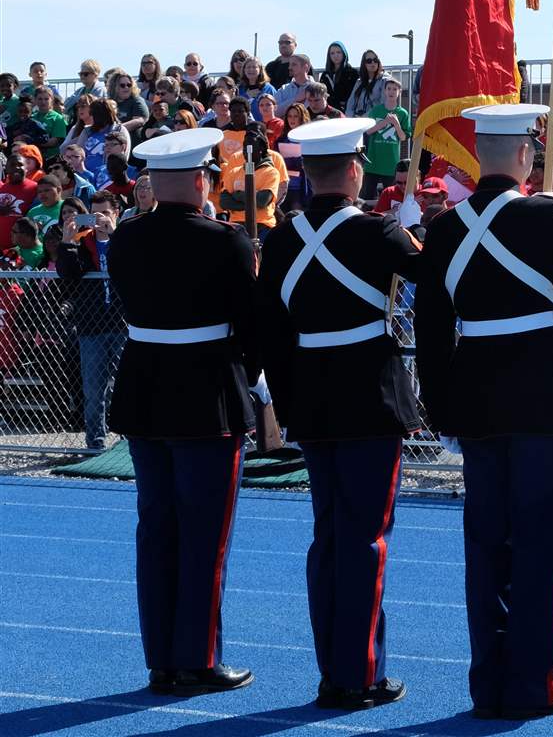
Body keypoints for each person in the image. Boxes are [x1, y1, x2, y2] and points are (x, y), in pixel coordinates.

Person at [414, 103, 553, 719]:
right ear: (528, 155)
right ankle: (533, 686)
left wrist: (440, 404)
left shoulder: (447, 228)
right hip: (540, 397)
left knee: (486, 547)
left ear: (482, 155)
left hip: (474, 395)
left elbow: (430, 331)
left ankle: (488, 684)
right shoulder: (545, 213)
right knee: (540, 545)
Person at [256, 117, 421, 710]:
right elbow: (436, 278)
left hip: (312, 403)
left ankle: (334, 669)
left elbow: (269, 334)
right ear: (355, 171)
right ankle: (360, 674)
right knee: (366, 541)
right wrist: (413, 226)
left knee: (328, 538)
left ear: (307, 174)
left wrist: (289, 401)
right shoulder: (379, 234)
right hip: (371, 400)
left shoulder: (281, 240)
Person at [107, 127, 258, 696]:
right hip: (207, 395)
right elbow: (251, 325)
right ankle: (197, 657)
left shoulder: (126, 240)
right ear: (201, 180)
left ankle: (162, 659)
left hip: (145, 392)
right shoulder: (226, 241)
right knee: (205, 534)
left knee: (157, 528)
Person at [57, 190, 126, 449]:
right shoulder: (83, 242)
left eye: (105, 213)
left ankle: (126, 443)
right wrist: (67, 240)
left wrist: (114, 234)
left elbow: (134, 265)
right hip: (91, 325)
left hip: (123, 324)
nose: (99, 220)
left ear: (116, 213)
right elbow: (68, 273)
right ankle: (95, 442)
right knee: (94, 388)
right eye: (94, 214)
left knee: (124, 386)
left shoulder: (125, 238)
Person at [218, 124, 281, 238]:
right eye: (245, 146)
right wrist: (251, 202)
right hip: (236, 226)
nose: (247, 151)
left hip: (262, 226)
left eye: (251, 146)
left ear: (261, 149)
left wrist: (238, 195)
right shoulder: (234, 172)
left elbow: (262, 201)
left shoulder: (271, 172)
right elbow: (224, 201)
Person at [0, 150, 39, 251]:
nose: (16, 167)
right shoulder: (1, 188)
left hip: (19, 251)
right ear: (6, 169)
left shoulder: (35, 188)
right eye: (12, 165)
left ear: (26, 169)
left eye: (20, 165)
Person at [319, 41, 360, 113]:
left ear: (344, 53)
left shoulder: (353, 73)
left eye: (338, 52)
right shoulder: (325, 75)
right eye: (332, 53)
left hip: (347, 112)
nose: (335, 56)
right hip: (328, 112)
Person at [30, 86, 68, 162]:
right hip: (33, 158)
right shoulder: (31, 117)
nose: (43, 102)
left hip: (51, 158)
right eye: (40, 99)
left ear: (52, 100)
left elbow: (53, 142)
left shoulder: (58, 118)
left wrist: (31, 142)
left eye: (46, 99)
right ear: (35, 100)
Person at [345, 50, 387, 118]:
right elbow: (350, 103)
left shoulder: (384, 80)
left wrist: (364, 117)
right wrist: (351, 117)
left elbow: (383, 104)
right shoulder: (359, 82)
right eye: (369, 61)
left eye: (375, 60)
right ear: (364, 64)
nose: (373, 62)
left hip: (374, 120)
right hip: (356, 119)